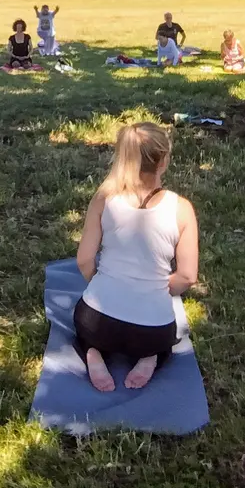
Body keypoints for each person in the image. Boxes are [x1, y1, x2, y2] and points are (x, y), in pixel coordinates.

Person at [75, 123, 198, 392]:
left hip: (96, 322)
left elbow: (84, 260)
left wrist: (100, 282)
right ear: (163, 160)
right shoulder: (181, 208)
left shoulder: (104, 197)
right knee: (163, 344)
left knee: (85, 332)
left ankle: (93, 352)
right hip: (152, 332)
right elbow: (187, 277)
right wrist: (157, 288)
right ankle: (150, 356)